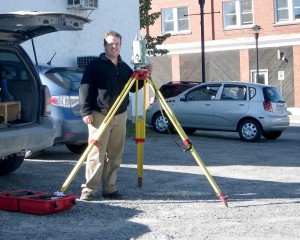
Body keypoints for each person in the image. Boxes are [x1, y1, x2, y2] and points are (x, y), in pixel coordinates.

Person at [79, 30, 150, 201]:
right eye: (111, 43)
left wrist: (143, 77)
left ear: (120, 45)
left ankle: (109, 188)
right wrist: (85, 111)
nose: (114, 46)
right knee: (96, 153)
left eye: (117, 43)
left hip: (120, 115)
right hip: (99, 114)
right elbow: (85, 88)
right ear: (105, 45)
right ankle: (89, 189)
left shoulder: (124, 67)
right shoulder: (95, 65)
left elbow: (132, 88)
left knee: (115, 155)